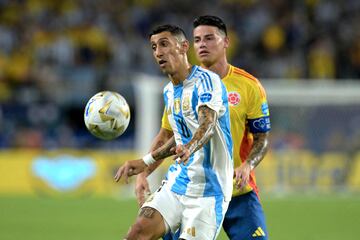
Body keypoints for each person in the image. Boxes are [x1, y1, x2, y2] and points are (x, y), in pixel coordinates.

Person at [136, 16, 271, 240]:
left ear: (226, 42)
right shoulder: (181, 85)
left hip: (239, 192)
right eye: (197, 40)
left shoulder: (249, 86)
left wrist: (248, 165)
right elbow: (166, 135)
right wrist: (144, 173)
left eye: (209, 38)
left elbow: (262, 138)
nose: (202, 44)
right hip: (193, 190)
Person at [114, 24, 234, 240]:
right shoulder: (169, 92)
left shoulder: (206, 81)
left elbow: (207, 125)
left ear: (183, 47)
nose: (158, 52)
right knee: (137, 233)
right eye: (153, 47)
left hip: (209, 192)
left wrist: (189, 146)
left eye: (164, 44)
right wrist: (146, 163)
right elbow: (175, 137)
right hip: (178, 182)